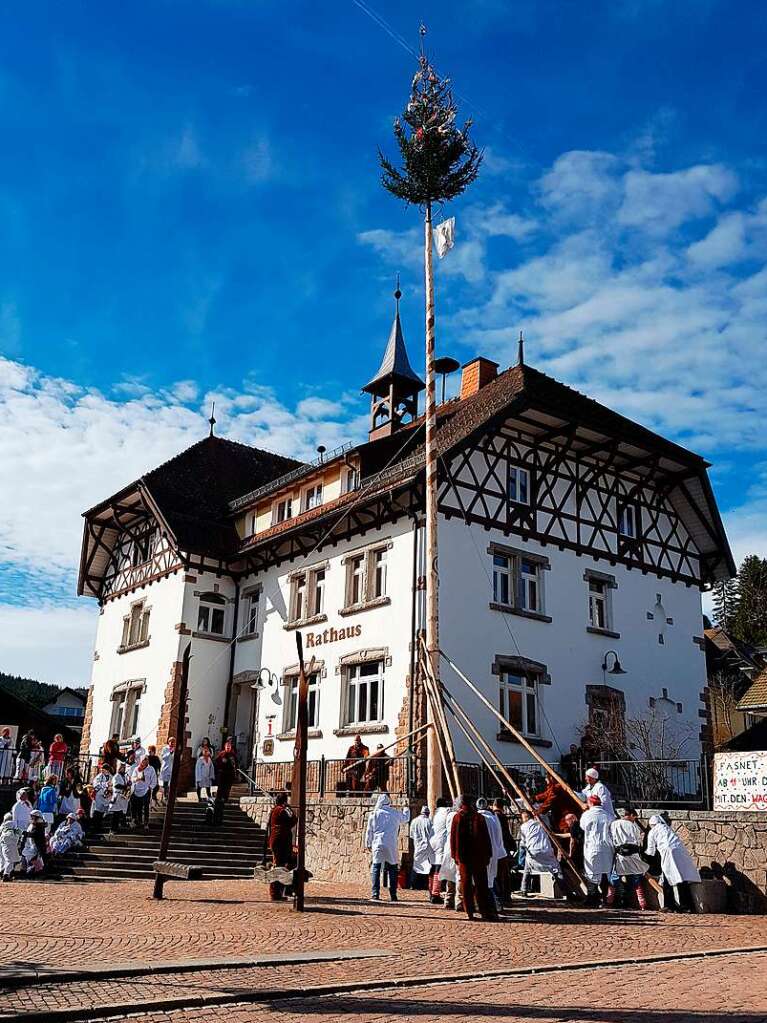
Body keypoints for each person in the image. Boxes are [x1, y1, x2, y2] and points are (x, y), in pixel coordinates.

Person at [450, 795, 495, 921]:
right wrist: (488, 854)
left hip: (464, 856)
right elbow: (486, 839)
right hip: (478, 856)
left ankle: (469, 910)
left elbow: (453, 839)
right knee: (481, 884)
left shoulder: (458, 817)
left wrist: (455, 855)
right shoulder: (478, 817)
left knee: (466, 884)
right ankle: (483, 910)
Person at [646, 814, 700, 913]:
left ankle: (669, 905)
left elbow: (650, 851)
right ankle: (686, 906)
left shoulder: (652, 831)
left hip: (668, 855)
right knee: (682, 878)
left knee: (668, 878)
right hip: (680, 854)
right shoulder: (668, 829)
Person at [365, 793, 410, 902]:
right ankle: (393, 894)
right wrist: (406, 808)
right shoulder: (394, 813)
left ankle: (375, 893)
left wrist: (368, 844)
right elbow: (405, 818)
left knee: (376, 867)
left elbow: (369, 831)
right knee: (392, 868)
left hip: (377, 843)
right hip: (391, 844)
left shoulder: (374, 814)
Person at [518, 808, 565, 897]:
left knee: (527, 869)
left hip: (533, 851)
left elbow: (523, 843)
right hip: (545, 850)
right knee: (557, 870)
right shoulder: (542, 823)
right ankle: (565, 891)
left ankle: (523, 889)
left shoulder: (523, 826)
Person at [608, 807, 649, 910]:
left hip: (620, 854)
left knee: (615, 878)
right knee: (636, 879)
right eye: (634, 817)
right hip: (633, 854)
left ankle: (609, 901)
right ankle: (642, 904)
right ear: (630, 815)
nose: (634, 819)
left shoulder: (614, 824)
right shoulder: (633, 826)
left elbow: (612, 838)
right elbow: (638, 840)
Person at [580, 795, 615, 906]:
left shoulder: (586, 815)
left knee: (592, 872)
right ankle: (605, 899)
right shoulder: (608, 815)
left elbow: (583, 827)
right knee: (605, 872)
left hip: (592, 847)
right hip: (607, 847)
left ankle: (592, 898)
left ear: (590, 803)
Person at [477, 797, 506, 912]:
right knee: (492, 877)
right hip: (495, 851)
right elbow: (499, 836)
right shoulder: (494, 818)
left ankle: (490, 903)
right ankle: (497, 901)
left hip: (481, 852)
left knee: (485, 879)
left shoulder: (477, 818)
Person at [267, 792, 297, 901]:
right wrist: (289, 808)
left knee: (279, 865)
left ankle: (279, 891)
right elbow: (293, 819)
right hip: (281, 841)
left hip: (276, 840)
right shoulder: (281, 810)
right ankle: (275, 893)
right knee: (279, 866)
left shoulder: (274, 810)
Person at [439, 797, 462, 910]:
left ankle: (448, 899)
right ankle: (459, 901)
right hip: (457, 846)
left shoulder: (449, 815)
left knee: (450, 876)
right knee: (458, 876)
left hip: (448, 846)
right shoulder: (458, 816)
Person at [492, 798, 515, 907]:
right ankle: (505, 896)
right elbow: (506, 833)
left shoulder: (494, 817)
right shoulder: (501, 817)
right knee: (504, 874)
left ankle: (501, 897)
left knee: (498, 874)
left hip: (496, 848)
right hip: (502, 848)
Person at [428, 797, 451, 904]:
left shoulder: (435, 813)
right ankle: (435, 894)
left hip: (433, 841)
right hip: (442, 842)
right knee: (438, 868)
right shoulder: (446, 811)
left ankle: (431, 891)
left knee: (434, 866)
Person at [409, 806, 434, 892]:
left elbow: (411, 835)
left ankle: (413, 884)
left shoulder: (414, 821)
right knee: (428, 866)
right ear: (428, 813)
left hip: (418, 846)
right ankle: (425, 885)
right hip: (428, 847)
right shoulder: (430, 821)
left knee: (417, 865)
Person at [213, 741, 239, 823]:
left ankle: (225, 799)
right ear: (224, 747)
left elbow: (236, 764)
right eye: (227, 746)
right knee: (221, 787)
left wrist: (236, 773)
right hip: (222, 773)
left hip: (230, 774)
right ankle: (218, 799)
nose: (228, 747)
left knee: (227, 788)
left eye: (229, 746)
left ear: (231, 747)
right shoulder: (221, 754)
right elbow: (216, 762)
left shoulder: (233, 755)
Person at [130, 757, 156, 830]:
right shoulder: (136, 769)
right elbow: (132, 779)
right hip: (136, 790)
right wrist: (137, 779)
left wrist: (150, 787)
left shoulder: (151, 769)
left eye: (146, 759)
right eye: (144, 759)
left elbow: (154, 779)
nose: (145, 761)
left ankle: (146, 823)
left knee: (146, 807)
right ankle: (136, 821)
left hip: (146, 790)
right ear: (141, 761)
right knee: (136, 807)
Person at [22, 810, 48, 876]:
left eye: (33, 816)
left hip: (36, 846)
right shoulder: (33, 824)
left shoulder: (39, 824)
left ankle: (36, 871)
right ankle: (31, 870)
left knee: (32, 858)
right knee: (25, 855)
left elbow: (36, 835)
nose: (31, 817)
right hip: (30, 844)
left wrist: (26, 834)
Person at [0, 812, 23, 881]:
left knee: (2, 859)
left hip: (2, 843)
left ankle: (2, 872)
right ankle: (6, 875)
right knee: (10, 860)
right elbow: (19, 832)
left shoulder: (2, 826)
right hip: (9, 843)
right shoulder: (13, 823)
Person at [91, 763, 113, 831]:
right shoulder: (99, 776)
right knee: (98, 811)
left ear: (108, 770)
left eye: (104, 769)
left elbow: (113, 785)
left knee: (104, 812)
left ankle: (100, 826)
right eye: (102, 769)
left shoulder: (111, 777)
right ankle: (95, 827)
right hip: (99, 797)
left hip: (107, 797)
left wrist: (110, 791)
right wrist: (105, 784)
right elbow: (96, 785)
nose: (102, 771)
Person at [109, 764, 130, 833]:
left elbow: (126, 784)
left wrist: (128, 784)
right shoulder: (116, 776)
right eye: (122, 768)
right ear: (119, 768)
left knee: (122, 812)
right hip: (117, 796)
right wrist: (125, 787)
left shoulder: (124, 776)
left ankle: (122, 825)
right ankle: (113, 829)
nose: (123, 769)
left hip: (122, 796)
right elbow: (116, 785)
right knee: (116, 814)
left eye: (124, 768)